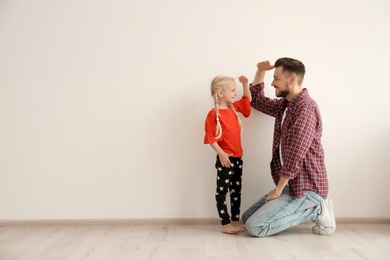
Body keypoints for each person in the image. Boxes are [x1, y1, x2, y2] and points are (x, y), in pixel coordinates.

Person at [242, 58, 336, 237]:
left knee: (255, 227)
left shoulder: (305, 108)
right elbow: (257, 101)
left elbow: (295, 154)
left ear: (291, 79)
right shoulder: (286, 105)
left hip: (308, 188)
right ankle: (306, 208)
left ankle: (317, 210)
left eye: (276, 78)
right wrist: (260, 71)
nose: (272, 82)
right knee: (247, 218)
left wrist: (278, 189)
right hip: (292, 185)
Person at [204, 75, 251, 234]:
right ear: (220, 93)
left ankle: (235, 222)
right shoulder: (213, 114)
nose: (235, 93)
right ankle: (225, 224)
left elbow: (246, 102)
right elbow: (210, 138)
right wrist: (222, 154)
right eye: (232, 90)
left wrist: (245, 85)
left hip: (238, 158)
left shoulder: (233, 108)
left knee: (236, 191)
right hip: (226, 159)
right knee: (222, 191)